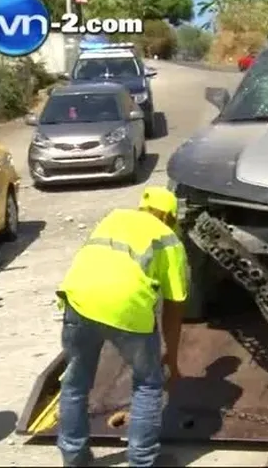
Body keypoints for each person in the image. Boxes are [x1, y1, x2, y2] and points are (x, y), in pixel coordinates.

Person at [55, 187, 189, 467]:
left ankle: (74, 458)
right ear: (170, 216)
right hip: (128, 307)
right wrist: (172, 359)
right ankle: (142, 462)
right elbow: (174, 307)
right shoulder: (169, 239)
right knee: (148, 385)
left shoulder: (113, 218)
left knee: (75, 383)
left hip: (78, 299)